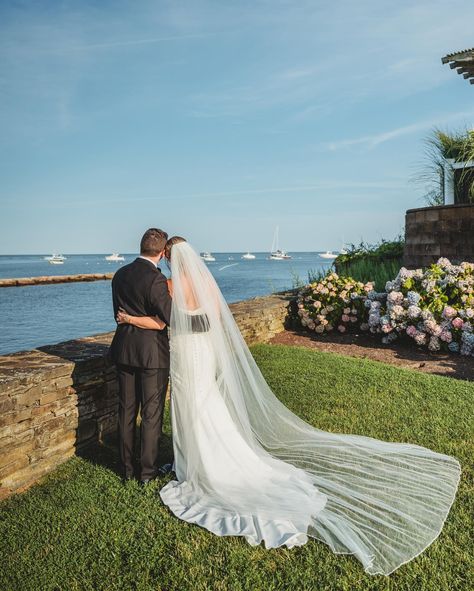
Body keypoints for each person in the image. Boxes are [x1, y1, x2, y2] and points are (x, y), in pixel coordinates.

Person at [116, 237, 461, 575]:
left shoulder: (171, 285)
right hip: (201, 353)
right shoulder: (203, 282)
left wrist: (130, 320)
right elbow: (213, 318)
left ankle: (194, 466)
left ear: (169, 257)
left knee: (191, 408)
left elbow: (167, 322)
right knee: (206, 405)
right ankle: (202, 459)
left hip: (185, 355)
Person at [110, 228, 172, 485]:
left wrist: (132, 319)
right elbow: (169, 317)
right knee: (151, 413)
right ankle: (146, 473)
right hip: (151, 356)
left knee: (125, 411)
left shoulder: (120, 274)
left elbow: (119, 314)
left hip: (124, 350)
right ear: (162, 251)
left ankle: (126, 470)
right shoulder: (155, 279)